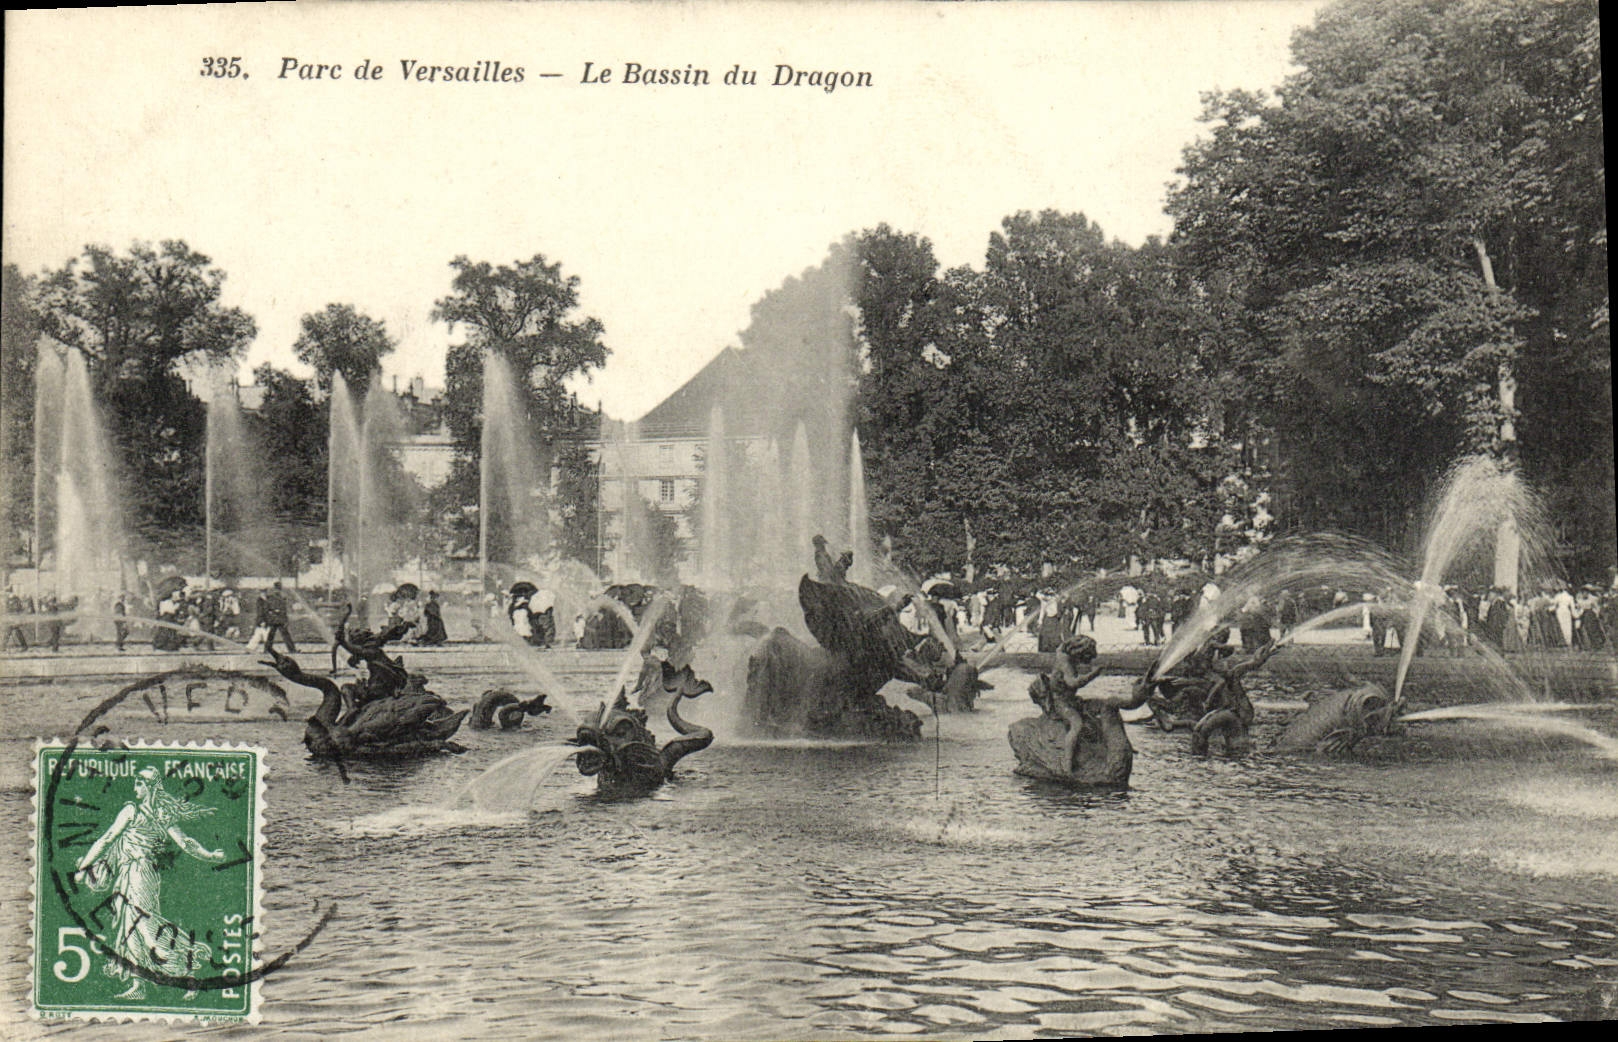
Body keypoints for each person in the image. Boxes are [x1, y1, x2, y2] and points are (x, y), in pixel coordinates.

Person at [73, 766, 224, 1000]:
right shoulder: (162, 814)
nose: (134, 789)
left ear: (149, 786)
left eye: (138, 784)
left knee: (144, 926)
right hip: (135, 873)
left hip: (139, 873)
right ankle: (139, 985)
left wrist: (84, 866)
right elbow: (187, 844)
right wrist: (210, 855)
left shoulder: (132, 811)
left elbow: (107, 839)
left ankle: (188, 970)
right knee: (129, 928)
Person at [258, 581, 297, 653]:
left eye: (278, 589)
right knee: (281, 635)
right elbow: (269, 608)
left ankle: (267, 650)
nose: (278, 590)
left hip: (276, 619)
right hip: (277, 619)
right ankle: (292, 650)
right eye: (278, 588)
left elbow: (268, 608)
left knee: (274, 635)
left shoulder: (274, 597)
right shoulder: (279, 598)